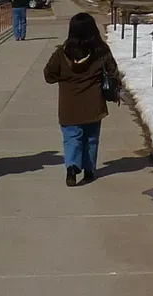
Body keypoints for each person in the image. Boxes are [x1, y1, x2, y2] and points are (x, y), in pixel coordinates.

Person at [42, 11, 120, 186]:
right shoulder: (101, 51)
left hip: (69, 105)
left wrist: (64, 78)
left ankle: (72, 167)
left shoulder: (61, 53)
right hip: (94, 104)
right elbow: (113, 72)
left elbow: (48, 75)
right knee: (91, 138)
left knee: (71, 138)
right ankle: (89, 169)